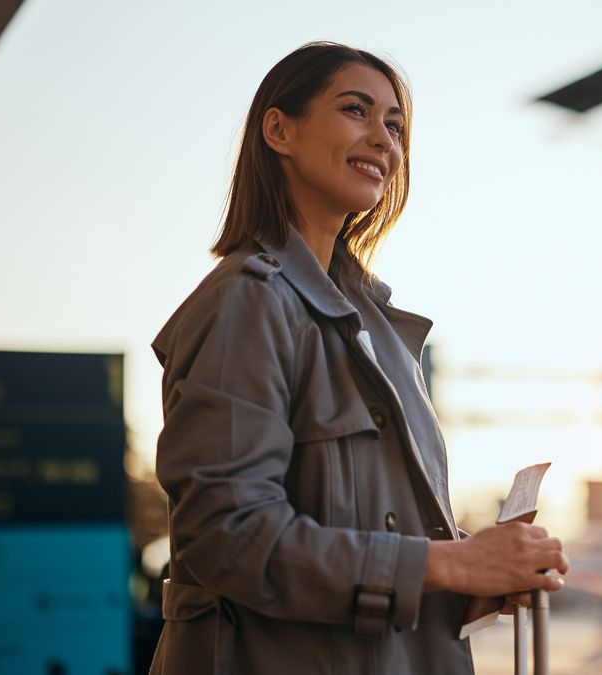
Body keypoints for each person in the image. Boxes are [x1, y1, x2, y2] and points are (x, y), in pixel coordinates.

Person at [149, 42, 568, 675]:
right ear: (278, 129)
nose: (384, 139)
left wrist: (474, 576)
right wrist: (449, 562)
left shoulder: (377, 331)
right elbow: (225, 537)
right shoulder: (248, 300)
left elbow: (378, 541)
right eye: (356, 111)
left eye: (395, 126)